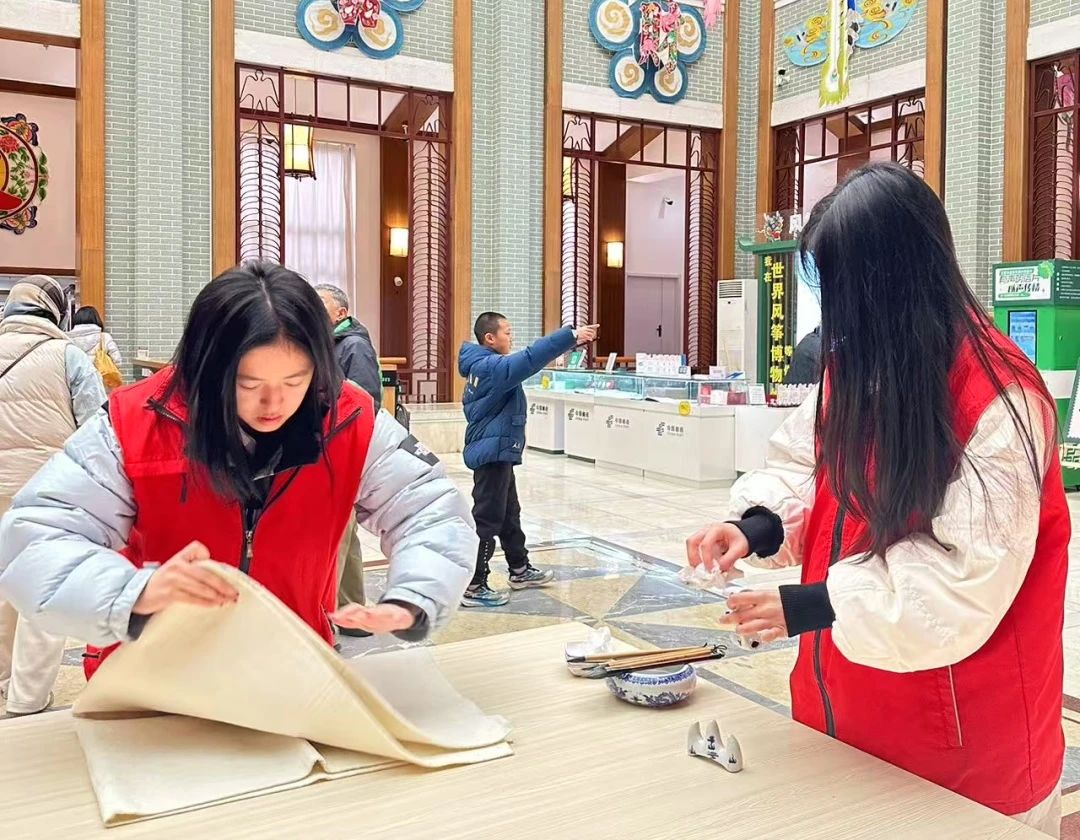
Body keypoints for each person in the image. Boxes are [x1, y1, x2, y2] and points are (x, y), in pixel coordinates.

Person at [686, 164, 1068, 837]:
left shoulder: (997, 397)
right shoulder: (860, 365)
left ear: (892, 280)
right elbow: (804, 465)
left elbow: (962, 580)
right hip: (845, 715)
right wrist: (754, 525)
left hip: (963, 747)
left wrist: (812, 605)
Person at [0, 262, 476, 682]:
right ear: (207, 368)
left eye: (295, 380)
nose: (274, 403)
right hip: (148, 682)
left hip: (290, 674)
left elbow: (430, 510)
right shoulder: (135, 421)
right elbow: (35, 537)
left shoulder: (348, 417)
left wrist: (416, 594)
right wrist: (131, 592)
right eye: (248, 384)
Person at [0, 276, 107, 715]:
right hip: (48, 491)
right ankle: (26, 697)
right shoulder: (68, 356)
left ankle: (2, 678)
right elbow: (97, 426)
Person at [458, 313, 598, 607]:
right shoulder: (491, 367)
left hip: (498, 450)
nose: (511, 338)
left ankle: (519, 569)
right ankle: (474, 583)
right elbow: (532, 357)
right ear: (490, 338)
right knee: (488, 518)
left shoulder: (483, 364)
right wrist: (571, 336)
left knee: (509, 513)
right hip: (492, 453)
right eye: (507, 332)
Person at [313, 283, 381, 632]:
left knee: (334, 535)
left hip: (340, 451)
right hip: (329, 448)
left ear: (341, 312)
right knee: (345, 532)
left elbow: (364, 403)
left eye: (320, 302)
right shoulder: (327, 343)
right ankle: (352, 612)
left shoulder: (353, 346)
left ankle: (323, 620)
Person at [68, 305, 123, 370]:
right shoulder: (104, 337)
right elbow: (117, 361)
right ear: (96, 319)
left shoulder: (68, 339)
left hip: (77, 376)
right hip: (100, 375)